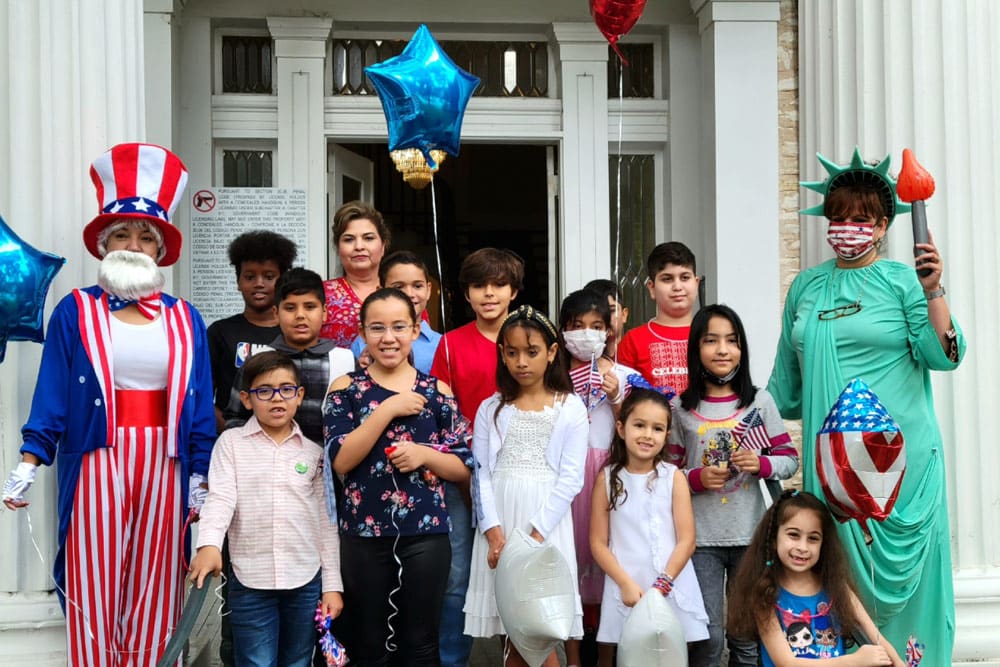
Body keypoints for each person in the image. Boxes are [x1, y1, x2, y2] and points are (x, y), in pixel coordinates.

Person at [1, 143, 216, 666]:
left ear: (161, 249)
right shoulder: (76, 310)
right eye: (123, 233)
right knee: (93, 574)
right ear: (104, 243)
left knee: (159, 579)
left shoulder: (186, 317)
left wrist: (201, 474)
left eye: (147, 235)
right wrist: (30, 461)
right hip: (99, 457)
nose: (135, 243)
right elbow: (52, 391)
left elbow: (200, 402)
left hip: (167, 462)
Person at [767, 149, 964, 665]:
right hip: (832, 475)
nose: (847, 227)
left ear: (883, 224)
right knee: (836, 584)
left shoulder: (903, 281)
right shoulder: (805, 288)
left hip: (903, 469)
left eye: (861, 218)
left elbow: (946, 356)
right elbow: (784, 390)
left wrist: (933, 290)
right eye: (838, 217)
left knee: (914, 596)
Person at [325, 288, 474, 666]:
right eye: (377, 328)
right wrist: (387, 409)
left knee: (420, 641)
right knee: (368, 640)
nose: (388, 338)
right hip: (362, 534)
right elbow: (341, 461)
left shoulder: (436, 391)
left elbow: (462, 466)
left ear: (414, 329)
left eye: (398, 327)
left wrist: (426, 455)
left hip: (426, 534)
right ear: (361, 331)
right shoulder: (347, 389)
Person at [189, 351, 344, 667]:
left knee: (298, 660)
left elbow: (326, 524)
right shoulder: (231, 445)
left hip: (304, 580)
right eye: (264, 391)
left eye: (286, 389)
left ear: (299, 396)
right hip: (251, 581)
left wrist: (332, 586)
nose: (277, 398)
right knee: (256, 661)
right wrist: (208, 545)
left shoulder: (314, 453)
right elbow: (220, 500)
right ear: (246, 399)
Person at [670, 304, 799, 667]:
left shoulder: (760, 402)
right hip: (699, 541)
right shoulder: (679, 407)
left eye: (732, 340)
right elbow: (665, 474)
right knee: (706, 638)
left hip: (751, 537)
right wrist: (695, 478)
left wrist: (761, 463)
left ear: (742, 349)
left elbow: (789, 460)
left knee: (745, 636)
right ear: (696, 349)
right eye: (711, 341)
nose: (722, 349)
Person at [463, 305, 588, 667]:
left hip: (544, 523)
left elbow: (570, 479)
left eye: (531, 352)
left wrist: (534, 536)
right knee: (510, 627)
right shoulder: (491, 408)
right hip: (501, 519)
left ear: (551, 353)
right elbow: (482, 472)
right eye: (512, 352)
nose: (521, 362)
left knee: (537, 627)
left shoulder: (570, 408)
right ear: (502, 353)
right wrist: (494, 533)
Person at [430, 246, 524, 667]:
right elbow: (439, 415)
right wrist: (466, 470)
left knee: (517, 567)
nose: (489, 293)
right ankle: (452, 658)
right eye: (478, 285)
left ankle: (520, 657)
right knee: (456, 577)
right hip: (459, 473)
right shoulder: (450, 345)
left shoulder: (529, 341)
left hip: (519, 471)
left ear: (514, 292)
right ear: (464, 294)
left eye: (499, 284)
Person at [590, 388, 709, 662]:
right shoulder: (607, 479)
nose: (647, 435)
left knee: (670, 653)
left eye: (657, 428)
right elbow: (597, 542)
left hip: (670, 581)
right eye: (639, 425)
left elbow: (687, 540)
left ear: (666, 435)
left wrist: (662, 586)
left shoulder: (673, 478)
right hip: (627, 583)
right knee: (623, 652)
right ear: (621, 428)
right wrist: (624, 583)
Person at [727, 490, 905, 666]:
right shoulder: (764, 594)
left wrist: (897, 662)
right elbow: (786, 663)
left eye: (813, 538)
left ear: (823, 544)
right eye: (793, 535)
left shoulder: (835, 587)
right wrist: (854, 661)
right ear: (773, 538)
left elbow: (876, 636)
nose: (803, 547)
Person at [558, 288, 633, 667]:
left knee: (608, 563)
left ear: (610, 330)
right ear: (563, 331)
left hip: (609, 477)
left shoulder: (624, 375)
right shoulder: (553, 377)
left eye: (596, 326)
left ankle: (605, 657)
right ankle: (574, 658)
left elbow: (637, 430)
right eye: (577, 326)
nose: (586, 334)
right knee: (570, 566)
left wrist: (618, 396)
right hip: (568, 482)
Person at [223, 267, 355, 446]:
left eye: (310, 307)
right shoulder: (258, 359)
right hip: (269, 467)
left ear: (324, 313)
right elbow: (235, 417)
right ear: (276, 314)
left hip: (329, 468)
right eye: (290, 308)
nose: (300, 315)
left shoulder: (345, 361)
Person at [207, 230, 298, 432]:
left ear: (282, 281)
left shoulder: (294, 333)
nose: (259, 283)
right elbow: (203, 396)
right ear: (239, 282)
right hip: (233, 443)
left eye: (269, 276)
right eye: (249, 276)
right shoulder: (220, 332)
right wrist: (235, 434)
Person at [616, 242, 700, 394]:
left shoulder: (712, 335)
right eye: (667, 279)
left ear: (696, 283)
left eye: (685, 277)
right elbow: (622, 400)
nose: (677, 286)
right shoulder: (633, 341)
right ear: (652, 288)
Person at [352, 250, 441, 373]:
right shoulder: (363, 342)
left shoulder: (443, 345)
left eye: (418, 286)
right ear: (381, 291)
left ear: (429, 290)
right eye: (398, 287)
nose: (409, 294)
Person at [321, 201, 390, 348]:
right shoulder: (319, 294)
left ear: (383, 246)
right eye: (349, 239)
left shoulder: (402, 292)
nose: (359, 246)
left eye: (368, 238)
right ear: (338, 248)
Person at [582, 279, 630, 359]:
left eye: (612, 310)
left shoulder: (637, 354)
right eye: (598, 312)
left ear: (624, 315)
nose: (606, 317)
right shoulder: (578, 361)